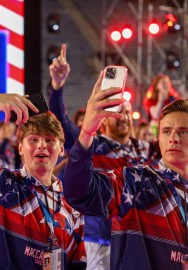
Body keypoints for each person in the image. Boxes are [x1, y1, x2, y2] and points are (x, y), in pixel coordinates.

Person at [63, 73, 188, 269]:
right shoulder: (134, 184)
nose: (173, 138)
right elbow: (78, 194)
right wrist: (87, 131)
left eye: (184, 131)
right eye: (166, 131)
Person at [48, 44, 157, 269]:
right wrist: (57, 88)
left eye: (127, 112)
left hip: (138, 235)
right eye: (118, 112)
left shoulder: (145, 149)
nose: (125, 117)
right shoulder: (93, 144)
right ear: (105, 118)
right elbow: (62, 126)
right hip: (101, 234)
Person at [0, 93, 86, 269]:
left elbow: (77, 265)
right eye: (33, 139)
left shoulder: (72, 207)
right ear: (20, 147)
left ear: (61, 149)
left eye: (49, 140)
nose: (42, 145)